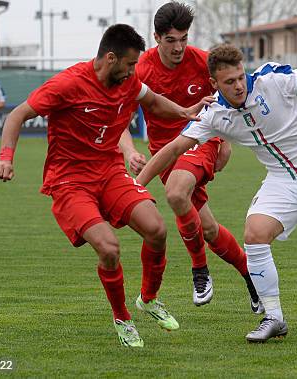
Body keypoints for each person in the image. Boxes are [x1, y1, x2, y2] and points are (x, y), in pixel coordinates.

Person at [135, 44, 297, 343]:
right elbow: (174, 149)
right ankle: (274, 317)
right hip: (281, 180)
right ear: (214, 84)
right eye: (229, 82)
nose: (238, 85)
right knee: (255, 233)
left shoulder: (271, 78)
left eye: (239, 77)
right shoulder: (214, 114)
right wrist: (137, 185)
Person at [0, 24, 213, 348]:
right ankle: (123, 318)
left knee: (157, 229)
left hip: (109, 171)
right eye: (129, 64)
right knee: (108, 248)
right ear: (111, 58)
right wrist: (6, 157)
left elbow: (151, 101)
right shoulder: (68, 83)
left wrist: (185, 111)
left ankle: (148, 299)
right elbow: (18, 115)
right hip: (70, 181)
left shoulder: (128, 81)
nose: (133, 71)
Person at [120, 2, 261, 311]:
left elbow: (229, 99)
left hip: (200, 141)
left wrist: (225, 141)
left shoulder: (201, 61)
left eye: (183, 38)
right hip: (164, 154)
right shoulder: (141, 69)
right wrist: (130, 150)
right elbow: (119, 121)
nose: (179, 47)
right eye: (171, 40)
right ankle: (253, 277)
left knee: (175, 193)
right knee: (207, 228)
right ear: (156, 38)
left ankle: (199, 270)